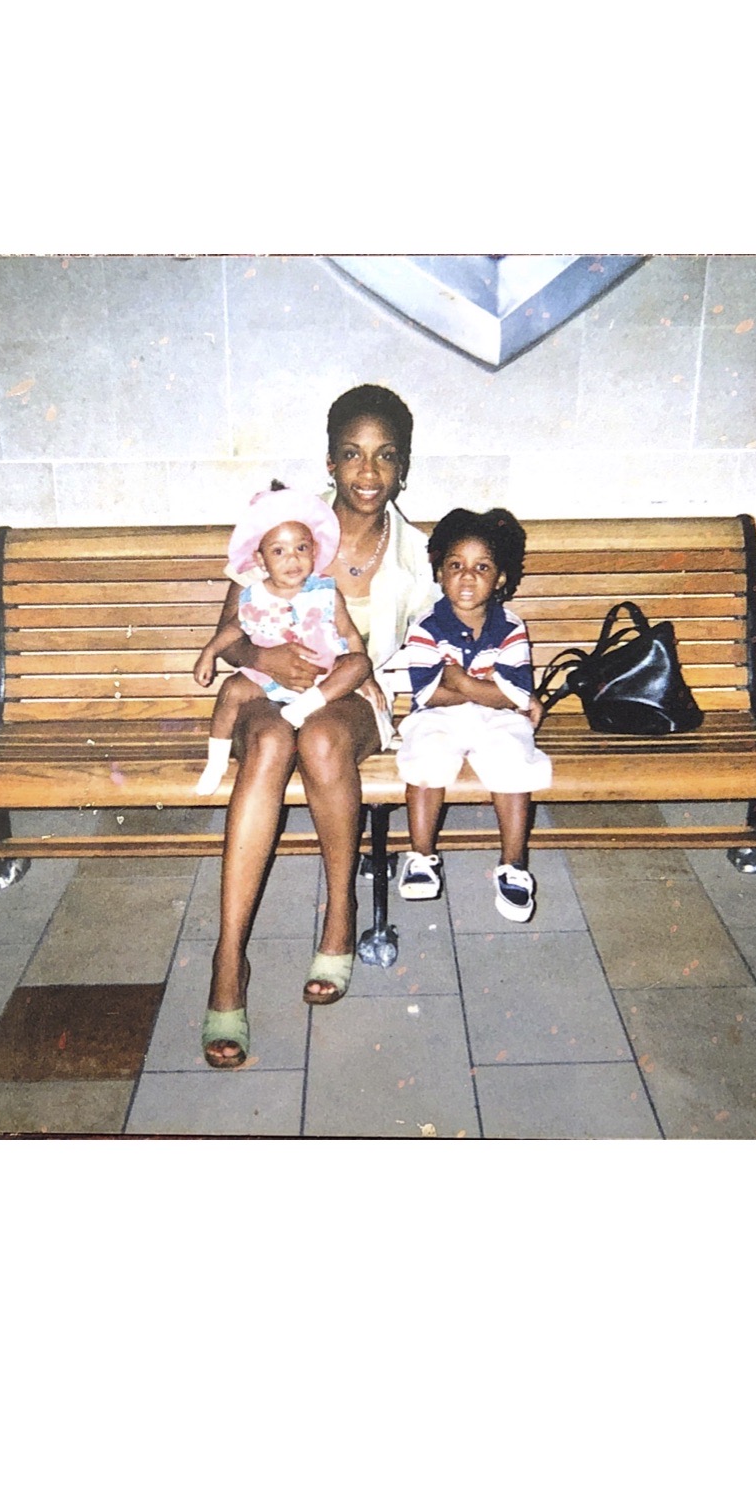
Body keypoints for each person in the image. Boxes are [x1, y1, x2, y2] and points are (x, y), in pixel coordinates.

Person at [195, 385, 437, 1068]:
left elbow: (433, 647)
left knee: (323, 736)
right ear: (330, 461)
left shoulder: (418, 556)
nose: (368, 471)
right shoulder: (287, 527)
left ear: (403, 466)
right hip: (267, 690)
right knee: (272, 739)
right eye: (352, 454)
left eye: (385, 456)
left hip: (354, 698)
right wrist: (258, 656)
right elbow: (229, 632)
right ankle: (228, 958)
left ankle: (340, 916)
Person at [395, 507, 552, 923]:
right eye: (456, 566)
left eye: (482, 567)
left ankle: (513, 864)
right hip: (437, 716)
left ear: (500, 578)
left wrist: (462, 682)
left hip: (498, 719)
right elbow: (428, 694)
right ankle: (421, 856)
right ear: (439, 573)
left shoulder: (510, 627)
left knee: (512, 759)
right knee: (427, 758)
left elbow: (515, 695)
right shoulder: (426, 626)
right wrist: (490, 691)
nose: (467, 577)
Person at [191, 484, 372, 794]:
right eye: (279, 551)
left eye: (301, 548)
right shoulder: (254, 596)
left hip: (322, 677)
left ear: (314, 551)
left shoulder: (326, 592)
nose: (292, 559)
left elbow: (350, 634)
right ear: (261, 560)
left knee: (359, 663)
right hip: (269, 678)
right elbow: (234, 628)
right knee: (231, 689)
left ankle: (302, 708)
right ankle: (216, 761)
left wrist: (364, 678)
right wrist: (209, 652)